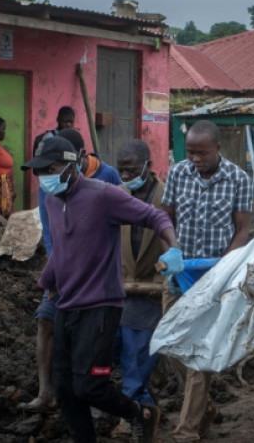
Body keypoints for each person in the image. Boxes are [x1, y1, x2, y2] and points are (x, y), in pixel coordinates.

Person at [25, 136, 181, 443]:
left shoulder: (103, 195)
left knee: (90, 386)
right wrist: (47, 282)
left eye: (51, 168)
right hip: (66, 304)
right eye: (39, 170)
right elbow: (62, 248)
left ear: (72, 166)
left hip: (100, 305)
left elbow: (156, 215)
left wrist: (173, 248)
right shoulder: (53, 201)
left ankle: (140, 412)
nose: (44, 176)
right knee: (67, 391)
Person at [161, 119, 253, 442]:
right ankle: (205, 408)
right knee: (170, 343)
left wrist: (223, 272)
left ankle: (186, 430)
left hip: (215, 276)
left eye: (202, 153)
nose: (195, 159)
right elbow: (165, 219)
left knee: (201, 352)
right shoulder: (176, 173)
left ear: (218, 148)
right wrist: (170, 256)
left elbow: (242, 230)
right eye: (191, 153)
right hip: (179, 274)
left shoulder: (239, 179)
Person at [21, 129, 123, 414]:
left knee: (94, 338)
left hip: (97, 280)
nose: (44, 173)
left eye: (49, 165)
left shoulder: (107, 180)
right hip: (61, 274)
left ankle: (97, 393)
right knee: (46, 321)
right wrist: (55, 269)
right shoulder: (49, 188)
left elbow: (124, 225)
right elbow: (51, 231)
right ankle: (46, 392)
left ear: (76, 159)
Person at [115, 139, 168, 410]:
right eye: (121, 170)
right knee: (115, 350)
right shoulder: (116, 195)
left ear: (148, 166)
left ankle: (138, 409)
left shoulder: (167, 197)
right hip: (119, 287)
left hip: (152, 286)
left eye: (132, 170)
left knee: (136, 352)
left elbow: (174, 242)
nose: (126, 176)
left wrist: (161, 280)